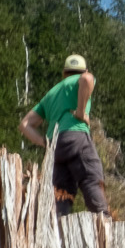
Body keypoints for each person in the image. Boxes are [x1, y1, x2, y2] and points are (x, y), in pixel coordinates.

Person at [20, 54, 109, 217]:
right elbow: (87, 80)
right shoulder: (81, 78)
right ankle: (103, 219)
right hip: (76, 135)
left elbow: (25, 124)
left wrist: (45, 143)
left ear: (64, 73)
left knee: (61, 192)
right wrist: (81, 113)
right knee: (91, 177)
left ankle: (58, 224)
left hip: (55, 147)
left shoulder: (51, 93)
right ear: (84, 70)